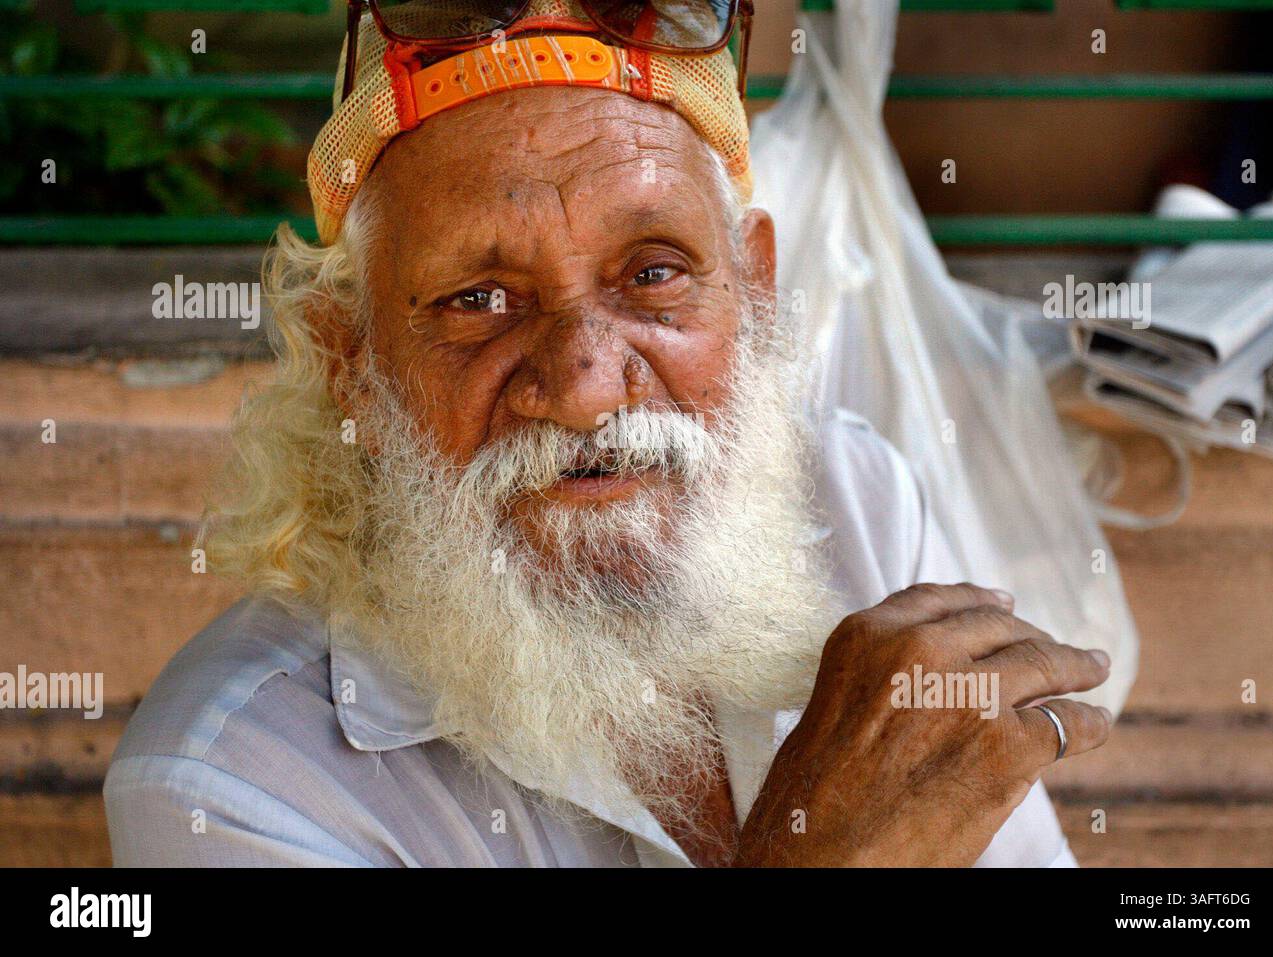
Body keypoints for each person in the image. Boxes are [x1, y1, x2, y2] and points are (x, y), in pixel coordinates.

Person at [105, 0, 1111, 867]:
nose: (586, 385)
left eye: (653, 273)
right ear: (349, 364)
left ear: (754, 291)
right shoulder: (230, 787)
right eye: (479, 297)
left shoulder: (856, 501)